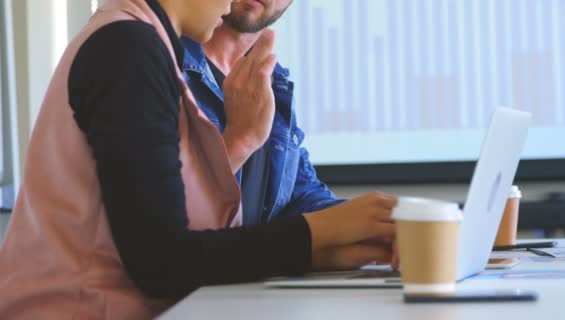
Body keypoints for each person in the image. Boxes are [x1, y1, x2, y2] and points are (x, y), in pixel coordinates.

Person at [0, 0, 397, 319]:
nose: (228, 6)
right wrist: (314, 236)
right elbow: (165, 261)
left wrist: (340, 240)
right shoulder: (129, 49)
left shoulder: (144, 44)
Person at [181, 0, 341, 226]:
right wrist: (240, 140)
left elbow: (298, 196)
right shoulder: (159, 64)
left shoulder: (274, 82)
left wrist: (375, 224)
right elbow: (154, 214)